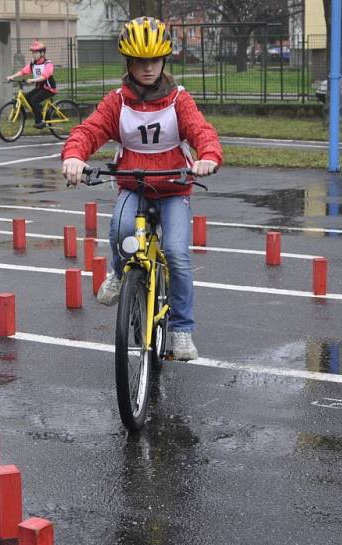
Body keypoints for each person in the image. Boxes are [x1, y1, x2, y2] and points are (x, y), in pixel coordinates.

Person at [62, 16, 222, 361]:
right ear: (128, 62)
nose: (147, 68)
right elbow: (88, 131)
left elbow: (201, 131)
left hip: (174, 187)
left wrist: (207, 155)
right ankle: (121, 276)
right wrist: (74, 156)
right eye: (139, 61)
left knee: (177, 254)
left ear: (164, 60)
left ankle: (181, 330)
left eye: (154, 60)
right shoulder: (117, 101)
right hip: (134, 184)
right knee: (120, 229)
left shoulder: (179, 99)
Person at [6, 40, 56, 129]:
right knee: (26, 98)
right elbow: (23, 71)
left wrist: (33, 80)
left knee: (34, 100)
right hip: (39, 88)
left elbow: (44, 76)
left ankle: (39, 121)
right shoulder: (33, 63)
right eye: (33, 52)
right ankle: (45, 113)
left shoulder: (48, 64)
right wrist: (12, 76)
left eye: (36, 52)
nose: (34, 54)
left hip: (49, 89)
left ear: (42, 53)